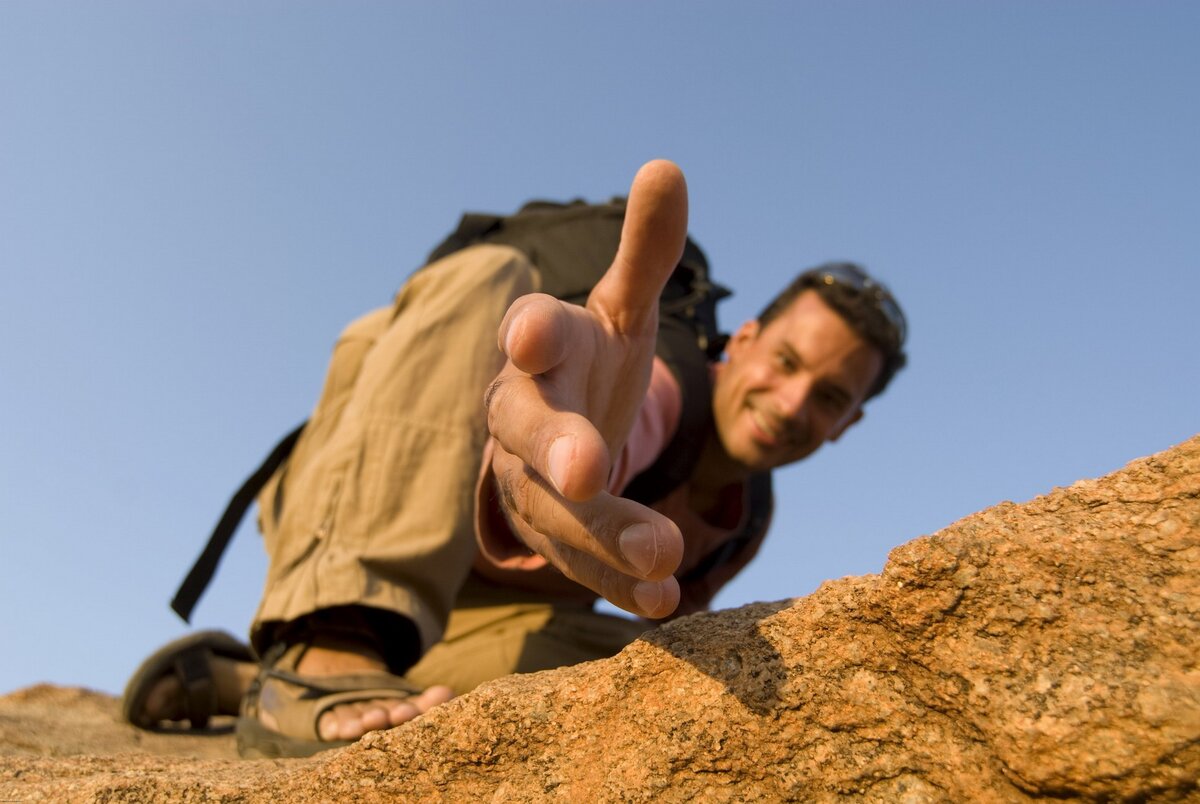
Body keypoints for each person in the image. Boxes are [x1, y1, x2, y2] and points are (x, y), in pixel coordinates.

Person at [122, 161, 907, 757]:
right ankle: (332, 642)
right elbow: (644, 413)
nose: (794, 403)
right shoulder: (668, 383)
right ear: (739, 344)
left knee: (681, 668)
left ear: (851, 424)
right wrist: (580, 439)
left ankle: (249, 681)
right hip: (354, 498)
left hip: (474, 616)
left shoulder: (744, 518)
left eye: (831, 398)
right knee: (489, 279)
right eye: (788, 363)